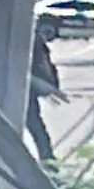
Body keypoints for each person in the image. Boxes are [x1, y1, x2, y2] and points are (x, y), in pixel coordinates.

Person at [27, 31, 63, 166]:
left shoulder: (29, 33)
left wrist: (46, 85)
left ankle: (49, 166)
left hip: (26, 91)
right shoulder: (29, 32)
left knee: (35, 128)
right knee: (35, 128)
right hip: (25, 88)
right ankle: (49, 166)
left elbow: (43, 62)